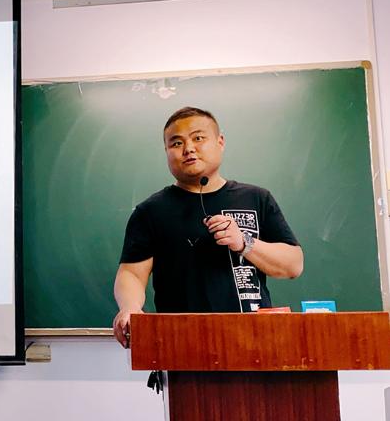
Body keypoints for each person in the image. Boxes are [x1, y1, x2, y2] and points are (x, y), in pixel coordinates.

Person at [112, 107, 303, 348]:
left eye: (198, 138)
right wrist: (130, 307)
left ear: (220, 142)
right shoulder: (150, 211)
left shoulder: (256, 198)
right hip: (181, 343)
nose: (188, 148)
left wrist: (245, 242)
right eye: (176, 143)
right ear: (166, 151)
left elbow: (293, 265)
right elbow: (131, 273)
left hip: (256, 341)